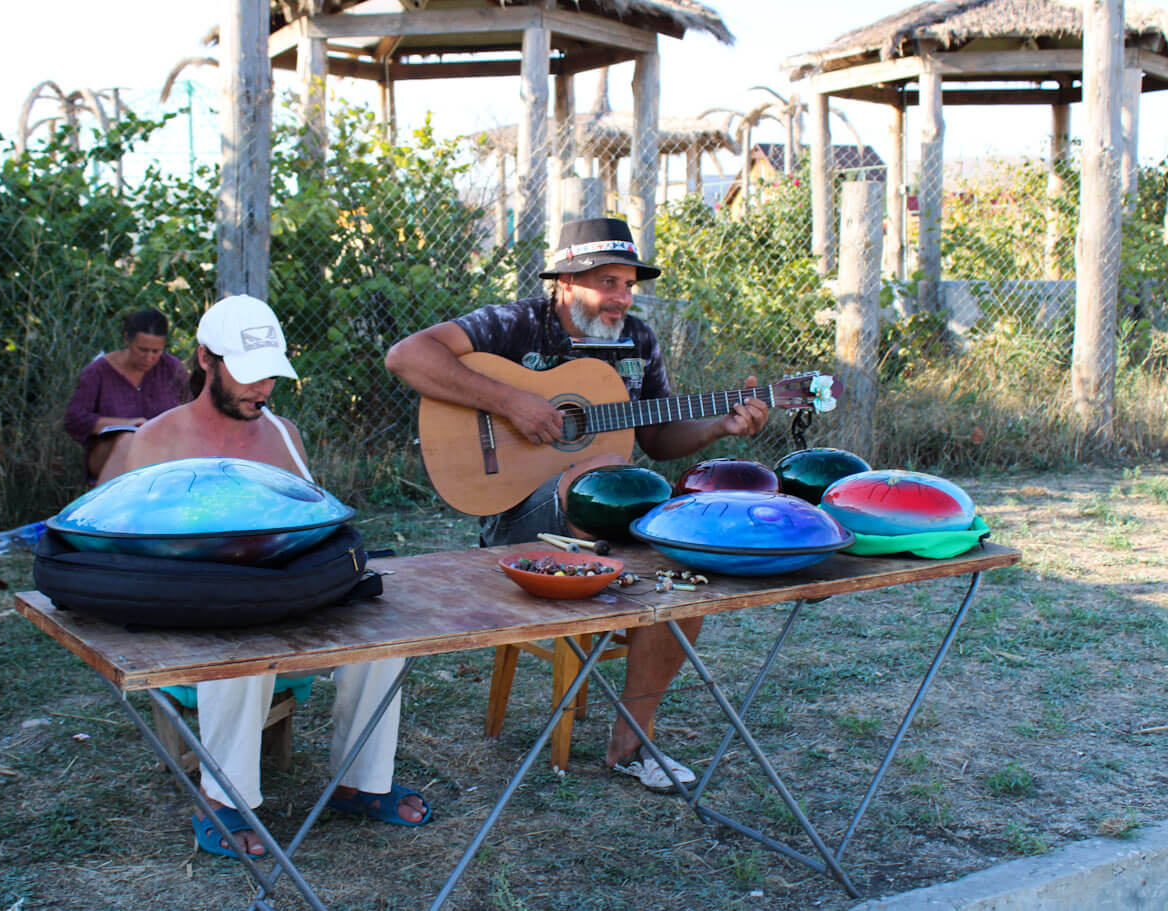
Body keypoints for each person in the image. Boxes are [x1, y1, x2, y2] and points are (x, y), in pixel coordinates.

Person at [384, 217, 770, 792]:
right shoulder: (515, 324)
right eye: (606, 282)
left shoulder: (637, 341)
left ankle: (633, 742)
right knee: (598, 475)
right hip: (517, 514)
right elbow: (407, 357)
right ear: (565, 283)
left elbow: (658, 439)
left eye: (628, 283)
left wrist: (719, 425)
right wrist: (512, 401)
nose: (621, 297)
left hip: (602, 515)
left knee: (689, 570)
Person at [103, 294, 428, 859]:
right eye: (248, 375)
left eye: (270, 376)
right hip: (191, 612)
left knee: (384, 640)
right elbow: (129, 546)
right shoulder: (156, 441)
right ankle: (226, 801)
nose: (262, 390)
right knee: (239, 634)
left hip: (280, 599)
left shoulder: (282, 436)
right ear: (206, 359)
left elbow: (311, 526)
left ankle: (360, 782)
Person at [63, 308, 189, 483]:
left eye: (156, 351)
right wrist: (125, 424)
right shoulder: (99, 372)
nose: (149, 358)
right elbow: (74, 419)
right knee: (129, 441)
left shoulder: (171, 368)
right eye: (142, 350)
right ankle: (105, 507)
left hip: (162, 450)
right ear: (127, 339)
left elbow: (194, 407)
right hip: (109, 453)